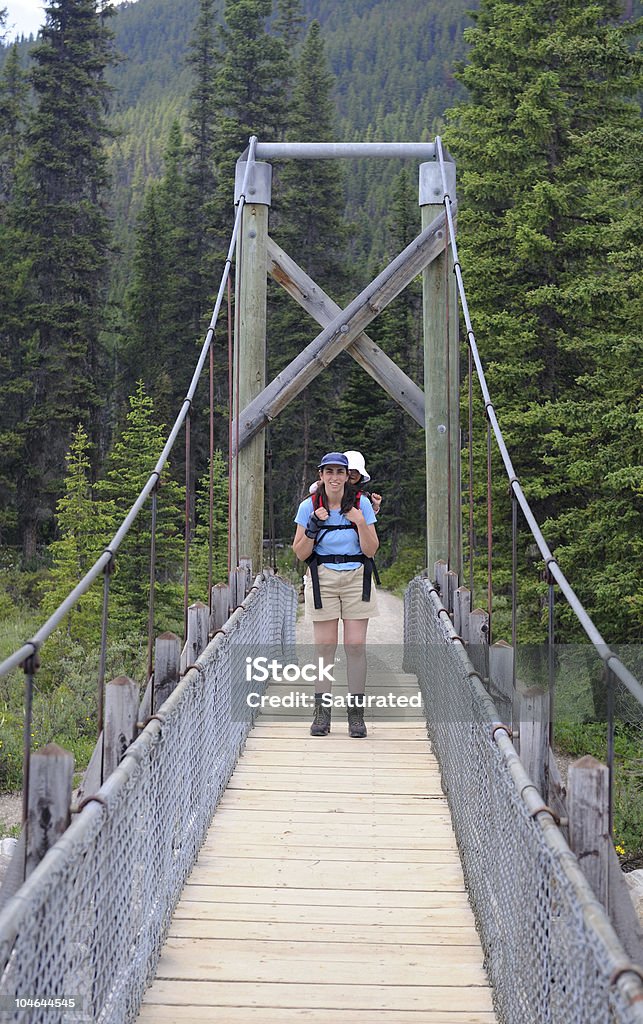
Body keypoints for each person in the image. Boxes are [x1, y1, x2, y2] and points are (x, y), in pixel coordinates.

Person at [293, 452, 379, 739]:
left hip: (357, 576)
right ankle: (322, 713)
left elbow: (371, 550)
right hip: (322, 579)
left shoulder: (361, 504)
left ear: (347, 475)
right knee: (325, 646)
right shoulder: (308, 507)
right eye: (328, 471)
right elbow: (301, 552)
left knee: (355, 645)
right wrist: (314, 528)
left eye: (339, 472)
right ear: (320, 475)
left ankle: (356, 715)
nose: (334, 477)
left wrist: (359, 522)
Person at [309, 450, 382, 514]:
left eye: (357, 471)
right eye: (351, 470)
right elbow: (313, 489)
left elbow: (367, 520)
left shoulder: (361, 498)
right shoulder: (319, 493)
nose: (353, 474)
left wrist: (375, 506)